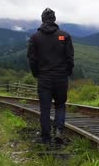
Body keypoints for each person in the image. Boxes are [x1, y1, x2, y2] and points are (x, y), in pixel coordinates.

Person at [27, 8, 74, 144]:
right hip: (61, 77)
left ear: (42, 19)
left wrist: (36, 73)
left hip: (44, 77)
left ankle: (46, 138)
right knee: (60, 105)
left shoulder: (35, 37)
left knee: (45, 108)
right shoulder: (65, 36)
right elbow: (70, 58)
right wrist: (68, 72)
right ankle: (59, 131)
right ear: (54, 19)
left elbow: (32, 59)